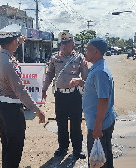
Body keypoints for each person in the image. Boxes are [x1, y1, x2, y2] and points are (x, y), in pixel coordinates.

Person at [0, 24, 45, 168]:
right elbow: (20, 91)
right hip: (12, 108)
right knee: (15, 145)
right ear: (13, 42)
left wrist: (18, 40)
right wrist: (37, 110)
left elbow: (8, 47)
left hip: (0, 106)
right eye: (16, 40)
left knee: (6, 142)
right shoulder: (9, 64)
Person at [70, 38, 117, 168]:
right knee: (104, 156)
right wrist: (81, 82)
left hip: (100, 123)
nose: (85, 52)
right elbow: (96, 90)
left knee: (98, 160)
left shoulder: (99, 72)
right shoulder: (97, 68)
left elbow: (103, 99)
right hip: (100, 120)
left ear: (95, 52)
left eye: (87, 49)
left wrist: (97, 125)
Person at [42, 31, 88, 160]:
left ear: (72, 44)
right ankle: (63, 147)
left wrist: (87, 91)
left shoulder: (79, 58)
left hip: (74, 96)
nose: (64, 46)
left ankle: (77, 149)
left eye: (66, 43)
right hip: (60, 96)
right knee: (61, 123)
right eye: (62, 44)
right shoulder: (55, 58)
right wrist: (44, 89)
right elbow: (49, 74)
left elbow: (86, 77)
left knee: (75, 123)